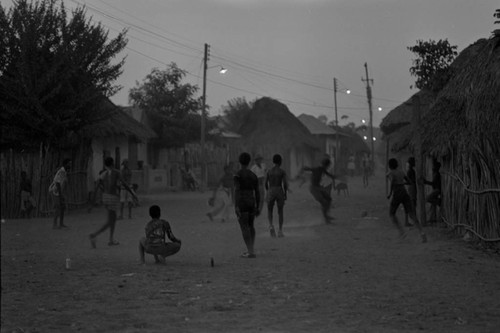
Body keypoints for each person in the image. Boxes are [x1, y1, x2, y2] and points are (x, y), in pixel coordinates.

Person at [89, 157, 137, 248]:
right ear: (113, 163)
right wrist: (132, 193)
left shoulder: (103, 174)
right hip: (112, 197)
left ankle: (110, 239)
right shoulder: (116, 172)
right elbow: (124, 184)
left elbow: (97, 187)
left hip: (105, 197)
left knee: (112, 220)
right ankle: (94, 235)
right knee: (110, 221)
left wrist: (92, 202)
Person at [386, 158, 427, 243]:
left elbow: (393, 182)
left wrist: (390, 194)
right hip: (404, 193)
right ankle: (422, 233)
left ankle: (401, 232)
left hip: (397, 194)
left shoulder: (391, 173)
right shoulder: (401, 172)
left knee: (392, 213)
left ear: (389, 166)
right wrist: (402, 183)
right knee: (412, 214)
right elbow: (409, 182)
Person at [234, 152, 260, 258]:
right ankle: (251, 249)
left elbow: (237, 190)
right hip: (251, 202)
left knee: (244, 226)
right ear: (249, 162)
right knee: (251, 226)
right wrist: (257, 206)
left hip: (243, 202)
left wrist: (236, 205)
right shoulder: (253, 175)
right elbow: (257, 192)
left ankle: (250, 251)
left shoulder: (238, 175)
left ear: (240, 161)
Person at [299, 157, 337, 224]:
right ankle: (326, 218)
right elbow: (307, 168)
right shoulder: (319, 169)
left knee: (329, 199)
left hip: (318, 188)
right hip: (314, 189)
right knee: (324, 202)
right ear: (326, 165)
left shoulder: (321, 169)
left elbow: (329, 175)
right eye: (328, 166)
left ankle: (326, 216)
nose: (328, 167)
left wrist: (334, 177)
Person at [265, 154, 288, 238]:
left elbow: (265, 184)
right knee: (280, 211)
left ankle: (271, 226)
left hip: (271, 190)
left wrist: (268, 191)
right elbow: (285, 184)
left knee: (270, 210)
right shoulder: (282, 171)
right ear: (280, 161)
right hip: (279, 190)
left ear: (273, 161)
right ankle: (280, 231)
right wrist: (285, 193)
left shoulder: (269, 171)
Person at [48, 158, 72, 229]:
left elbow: (63, 184)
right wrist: (61, 195)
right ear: (65, 164)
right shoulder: (61, 171)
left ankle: (61, 224)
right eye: (69, 163)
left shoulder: (64, 171)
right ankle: (55, 224)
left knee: (62, 207)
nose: (70, 165)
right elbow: (58, 183)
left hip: (58, 191)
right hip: (55, 191)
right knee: (58, 207)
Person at [423, 160, 442, 224]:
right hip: (436, 189)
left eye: (434, 167)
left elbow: (433, 183)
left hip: (437, 190)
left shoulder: (437, 174)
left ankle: (438, 202)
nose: (433, 168)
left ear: (437, 168)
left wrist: (425, 182)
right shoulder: (435, 174)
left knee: (428, 198)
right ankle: (432, 219)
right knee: (432, 205)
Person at [405, 157, 417, 227]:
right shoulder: (412, 171)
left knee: (412, 203)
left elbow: (409, 181)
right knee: (413, 203)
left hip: (411, 188)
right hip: (412, 188)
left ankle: (414, 220)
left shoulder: (410, 171)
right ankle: (414, 219)